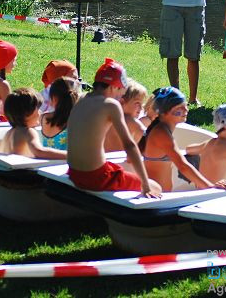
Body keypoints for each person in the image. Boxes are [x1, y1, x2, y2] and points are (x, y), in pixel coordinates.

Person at [66, 58, 161, 196]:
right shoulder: (110, 104)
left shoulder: (81, 99)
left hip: (74, 173)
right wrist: (145, 184)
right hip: (96, 177)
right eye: (120, 93)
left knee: (117, 169)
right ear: (112, 87)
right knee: (156, 187)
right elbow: (129, 145)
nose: (120, 97)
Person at [140, 86, 226, 192]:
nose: (186, 109)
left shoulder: (161, 129)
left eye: (185, 105)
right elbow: (182, 165)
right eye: (180, 107)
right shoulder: (161, 133)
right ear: (165, 111)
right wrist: (210, 186)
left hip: (159, 195)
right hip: (155, 197)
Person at [0, 87, 67, 159]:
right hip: (21, 169)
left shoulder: (9, 133)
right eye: (37, 109)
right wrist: (70, 156)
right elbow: (39, 151)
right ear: (27, 114)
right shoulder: (27, 132)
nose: (40, 112)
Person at [105, 80, 148, 151]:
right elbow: (147, 136)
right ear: (122, 102)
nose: (141, 108)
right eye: (137, 103)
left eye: (142, 104)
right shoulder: (129, 120)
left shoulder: (106, 116)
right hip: (117, 160)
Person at [41, 76, 79, 151]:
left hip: (46, 161)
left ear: (54, 98)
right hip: (68, 161)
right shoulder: (76, 121)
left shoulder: (43, 117)